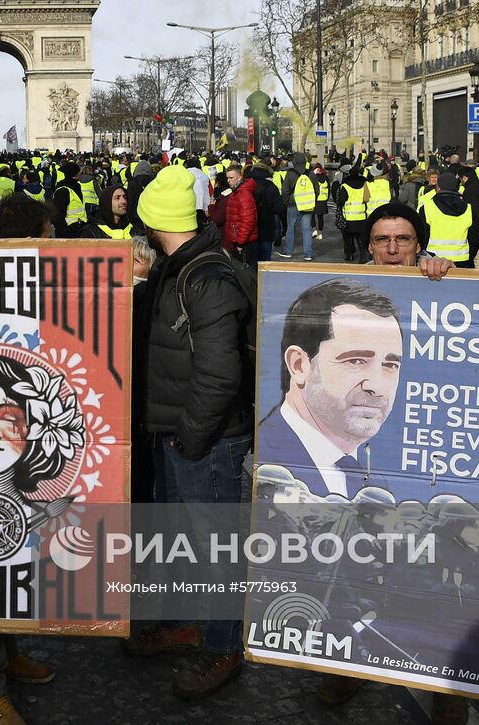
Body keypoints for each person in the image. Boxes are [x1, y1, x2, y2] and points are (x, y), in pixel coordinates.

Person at [122, 164, 252, 700]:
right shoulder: (181, 267)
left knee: (215, 548)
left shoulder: (205, 277)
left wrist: (190, 438)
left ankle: (224, 647)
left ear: (153, 221)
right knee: (182, 540)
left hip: (207, 439)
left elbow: (220, 373)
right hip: (178, 430)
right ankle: (190, 625)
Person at [0, 190, 58, 725]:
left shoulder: (39, 280)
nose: (54, 239)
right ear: (30, 234)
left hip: (28, 437)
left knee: (18, 552)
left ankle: (9, 651)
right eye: (48, 231)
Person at [258, 278, 402, 498]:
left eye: (390, 365)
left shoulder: (374, 481)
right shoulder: (261, 468)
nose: (378, 386)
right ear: (299, 365)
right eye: (356, 361)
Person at [418, 173, 477, 268]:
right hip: (462, 259)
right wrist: (470, 258)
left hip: (433, 260)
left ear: (438, 186)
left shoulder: (427, 208)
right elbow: (474, 237)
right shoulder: (469, 208)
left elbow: (422, 235)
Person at [278, 152, 317, 261]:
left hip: (293, 205)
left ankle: (288, 251)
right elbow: (316, 190)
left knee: (290, 229)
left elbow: (285, 190)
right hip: (307, 206)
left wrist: (286, 202)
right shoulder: (311, 173)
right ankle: (308, 254)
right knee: (307, 230)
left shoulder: (290, 174)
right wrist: (311, 201)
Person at [218, 164, 257, 259]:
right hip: (236, 240)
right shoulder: (236, 192)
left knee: (243, 270)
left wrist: (240, 243)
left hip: (242, 243)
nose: (228, 180)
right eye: (227, 178)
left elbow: (248, 221)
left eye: (231, 178)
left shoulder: (243, 194)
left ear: (239, 177)